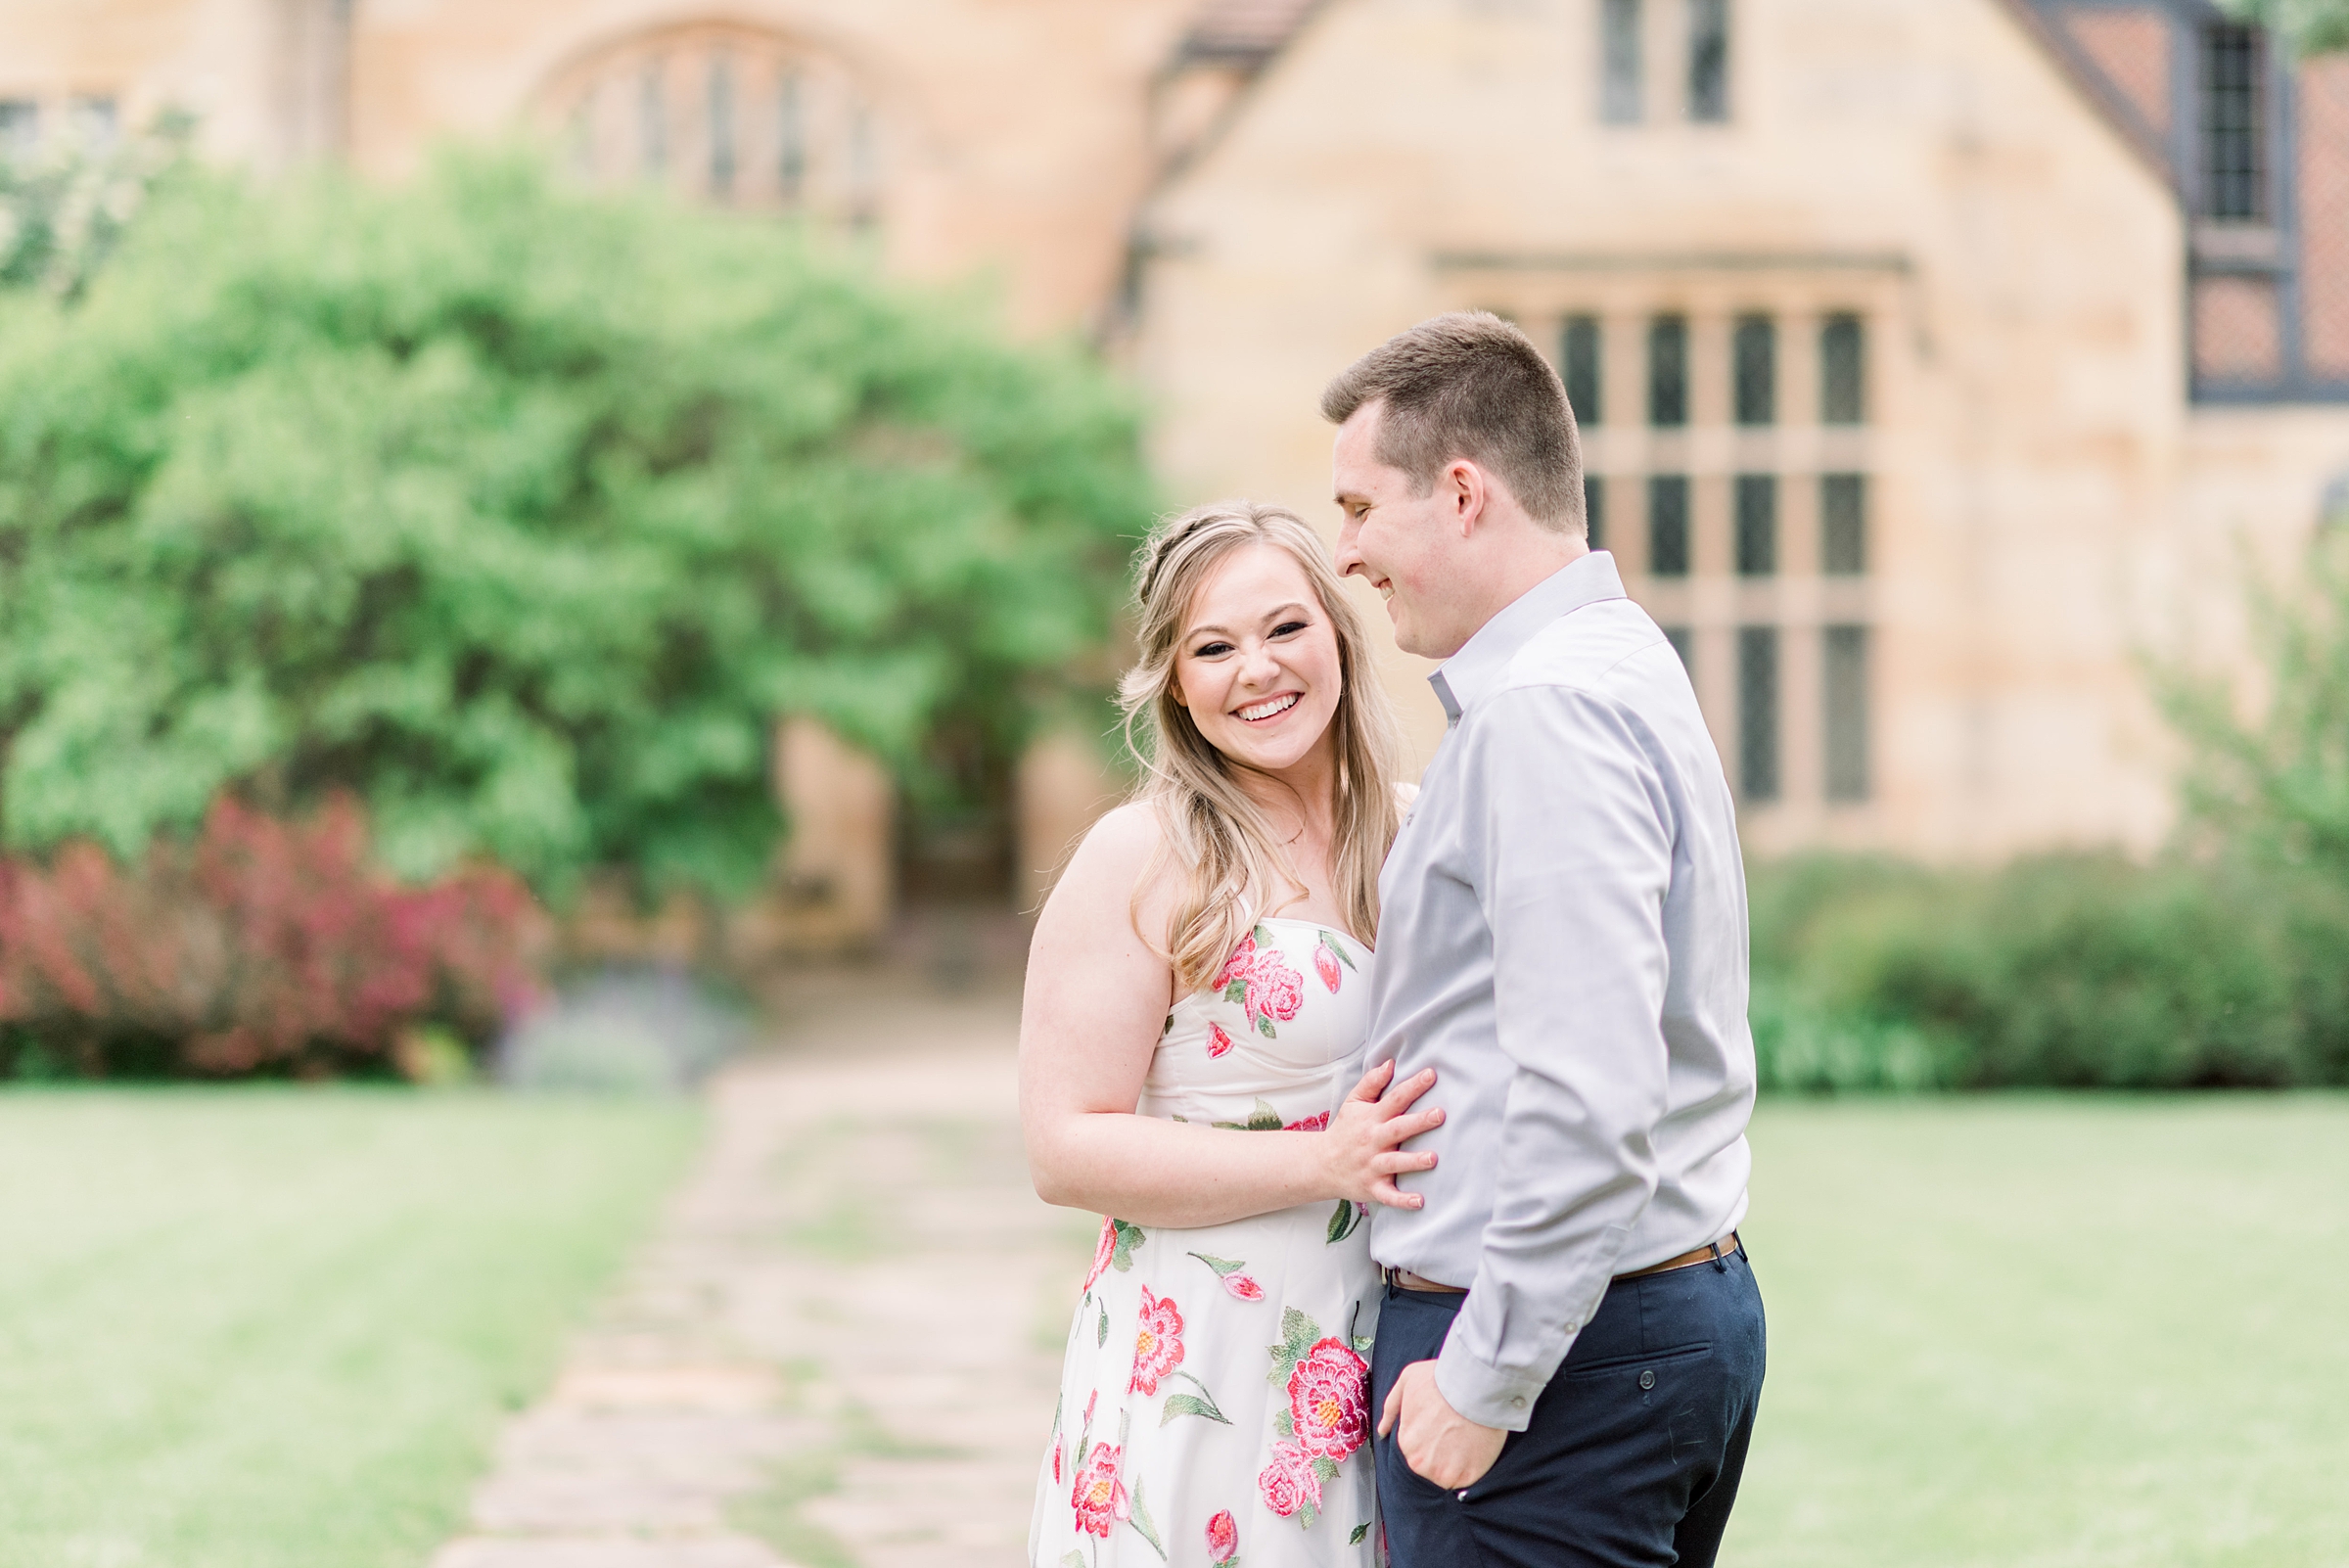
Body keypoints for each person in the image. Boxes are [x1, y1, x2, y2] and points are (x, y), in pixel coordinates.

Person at [1322, 311, 1767, 1568]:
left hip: (1560, 1363)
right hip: (1641, 1325)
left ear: (1462, 493)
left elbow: (1591, 1089)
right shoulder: (1617, 663)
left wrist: (1488, 1379)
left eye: (1359, 508)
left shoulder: (1547, 714)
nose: (1347, 553)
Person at [1022, 501, 1442, 1566]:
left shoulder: (1424, 827)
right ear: (1174, 683)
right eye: (1214, 647)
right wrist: (1326, 1159)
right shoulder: (1145, 856)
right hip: (1203, 1368)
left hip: (1386, 1354)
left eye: (1285, 628)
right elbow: (1066, 1148)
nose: (1257, 669)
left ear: (1341, 636)